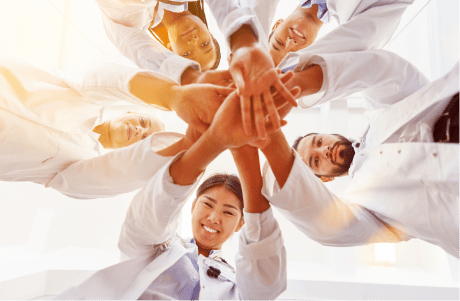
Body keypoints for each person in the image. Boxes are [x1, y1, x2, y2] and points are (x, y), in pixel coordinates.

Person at [52, 83, 290, 300]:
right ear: (193, 207)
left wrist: (247, 147)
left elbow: (266, 286)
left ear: (241, 223)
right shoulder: (157, 250)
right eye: (207, 204)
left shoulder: (238, 285)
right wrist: (214, 141)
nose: (214, 217)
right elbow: (148, 218)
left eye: (228, 212)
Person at [259, 50, 459, 258]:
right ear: (325, 179)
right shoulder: (362, 203)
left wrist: (292, 87)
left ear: (330, 133)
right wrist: (270, 138)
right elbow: (325, 227)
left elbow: (381, 68)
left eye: (318, 141)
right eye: (315, 161)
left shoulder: (380, 110)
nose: (323, 150)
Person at [0, 56, 232, 199]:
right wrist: (173, 97)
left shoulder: (79, 164)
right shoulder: (86, 96)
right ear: (130, 112)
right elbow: (107, 78)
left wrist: (192, 144)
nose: (140, 131)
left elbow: (111, 177)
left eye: (144, 140)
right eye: (144, 122)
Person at [223, 0, 414, 141]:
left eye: (278, 43)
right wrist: (288, 83)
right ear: (311, 51)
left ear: (275, 25)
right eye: (296, 52)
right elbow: (365, 40)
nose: (290, 42)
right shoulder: (367, 26)